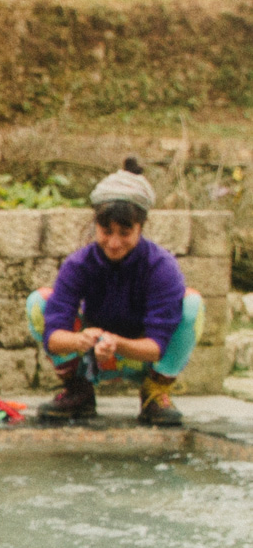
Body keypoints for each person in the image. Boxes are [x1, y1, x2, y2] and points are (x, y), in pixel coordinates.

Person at [27, 162, 204, 426]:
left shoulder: (162, 267)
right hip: (92, 360)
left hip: (143, 359)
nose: (114, 243)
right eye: (106, 231)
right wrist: (79, 341)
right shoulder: (78, 264)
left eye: (125, 232)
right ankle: (79, 390)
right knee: (38, 301)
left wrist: (117, 344)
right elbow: (54, 337)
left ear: (141, 227)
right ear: (95, 225)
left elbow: (157, 347)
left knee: (192, 304)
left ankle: (154, 392)